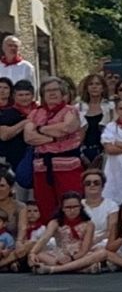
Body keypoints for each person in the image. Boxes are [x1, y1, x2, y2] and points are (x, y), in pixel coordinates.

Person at [24, 77, 84, 221]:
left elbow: (67, 128)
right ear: (43, 94)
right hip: (42, 167)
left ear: (62, 92)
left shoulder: (70, 111)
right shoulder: (35, 113)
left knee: (71, 205)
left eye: (55, 90)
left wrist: (40, 129)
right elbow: (28, 137)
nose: (52, 93)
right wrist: (54, 137)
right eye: (48, 90)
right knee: (46, 208)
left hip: (68, 166)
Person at [28, 191, 98, 274]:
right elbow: (44, 238)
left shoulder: (89, 224)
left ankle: (54, 269)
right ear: (62, 208)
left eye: (75, 207)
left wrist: (71, 258)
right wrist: (32, 252)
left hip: (80, 255)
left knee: (101, 253)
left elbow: (84, 249)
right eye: (68, 207)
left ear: (81, 207)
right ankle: (81, 269)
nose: (72, 210)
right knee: (39, 255)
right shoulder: (55, 222)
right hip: (60, 255)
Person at [77, 72, 113, 168]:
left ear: (103, 87)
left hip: (106, 152)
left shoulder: (111, 107)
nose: (94, 87)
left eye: (97, 84)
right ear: (86, 88)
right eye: (91, 84)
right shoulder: (78, 108)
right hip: (83, 152)